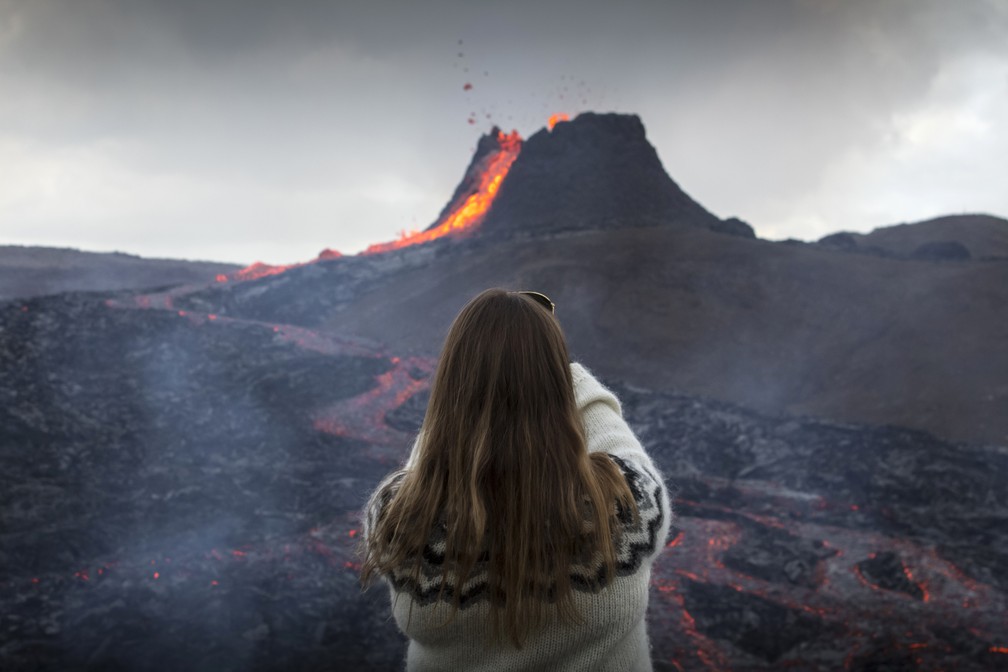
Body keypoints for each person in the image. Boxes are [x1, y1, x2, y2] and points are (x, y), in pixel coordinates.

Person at [360, 288, 671, 671]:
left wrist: (461, 403)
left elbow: (428, 465)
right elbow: (621, 444)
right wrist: (558, 372)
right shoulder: (624, 509)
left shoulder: (399, 517)